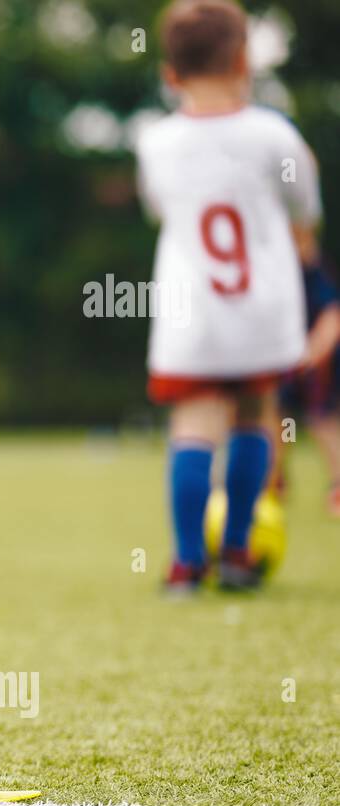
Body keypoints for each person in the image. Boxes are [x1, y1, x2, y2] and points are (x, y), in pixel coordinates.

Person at [137, 0, 330, 593]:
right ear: (244, 59)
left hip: (192, 316)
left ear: (171, 74)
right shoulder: (275, 135)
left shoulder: (157, 141)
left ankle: (187, 561)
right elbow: (307, 214)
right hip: (263, 312)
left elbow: (158, 210)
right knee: (255, 417)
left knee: (194, 426)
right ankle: (239, 550)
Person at [275, 258, 340, 513]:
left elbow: (332, 318)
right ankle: (273, 483)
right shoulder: (279, 272)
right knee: (280, 422)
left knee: (321, 421)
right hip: (286, 362)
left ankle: (337, 487)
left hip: (317, 365)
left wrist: (312, 353)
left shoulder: (316, 275)